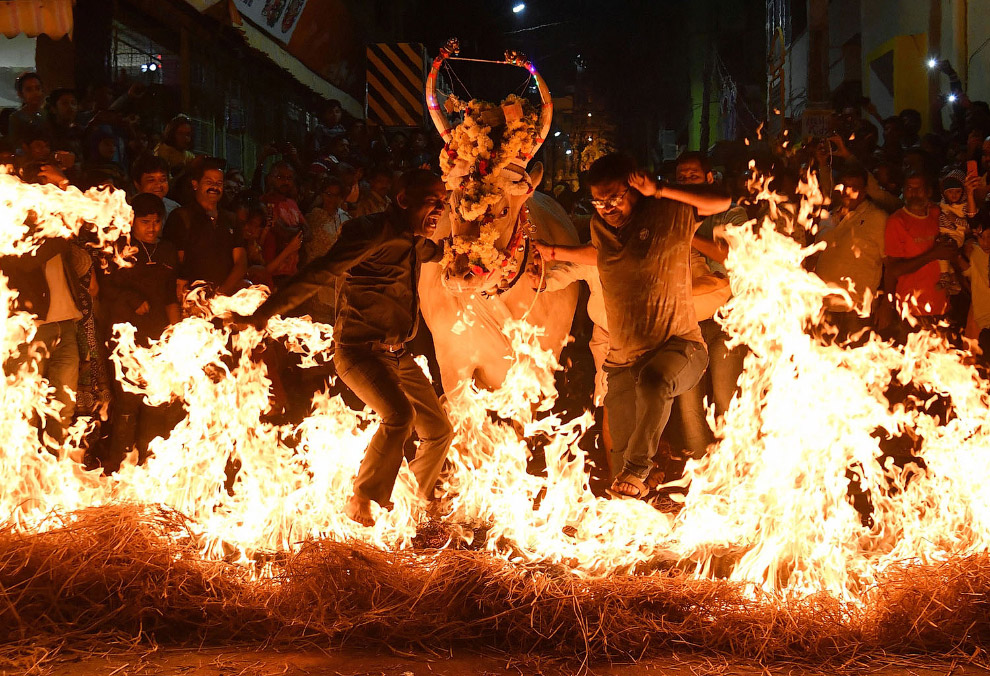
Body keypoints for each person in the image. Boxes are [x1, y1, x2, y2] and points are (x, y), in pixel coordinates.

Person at [239, 169, 453, 527]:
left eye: (443, 203)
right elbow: (320, 272)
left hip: (397, 353)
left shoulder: (414, 240)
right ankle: (363, 497)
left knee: (439, 430)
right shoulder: (369, 231)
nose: (440, 210)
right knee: (400, 417)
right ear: (403, 200)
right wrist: (265, 312)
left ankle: (413, 501)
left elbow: (437, 252)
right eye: (433, 201)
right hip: (359, 352)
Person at [533, 153, 730, 500]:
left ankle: (643, 468)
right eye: (598, 201)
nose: (606, 207)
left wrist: (662, 189)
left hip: (679, 348)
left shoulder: (668, 213)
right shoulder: (601, 226)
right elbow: (603, 255)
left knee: (655, 383)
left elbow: (722, 200)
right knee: (621, 453)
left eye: (614, 198)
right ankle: (635, 514)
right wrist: (550, 252)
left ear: (634, 189)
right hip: (621, 361)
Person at [101, 193, 181, 469]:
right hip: (125, 339)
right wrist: (133, 301)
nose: (152, 228)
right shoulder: (120, 249)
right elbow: (106, 288)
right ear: (132, 221)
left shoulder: (168, 250)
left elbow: (171, 294)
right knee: (127, 402)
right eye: (145, 222)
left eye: (157, 222)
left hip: (158, 338)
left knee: (157, 401)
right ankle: (120, 465)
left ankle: (150, 466)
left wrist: (176, 332)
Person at [812, 163, 888, 342]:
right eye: (845, 186)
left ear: (864, 190)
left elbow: (889, 264)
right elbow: (815, 258)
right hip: (824, 307)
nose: (848, 192)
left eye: (854, 187)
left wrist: (885, 305)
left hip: (857, 309)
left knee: (857, 364)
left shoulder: (878, 218)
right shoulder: (827, 218)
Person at [163, 158, 247, 298]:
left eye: (219, 183)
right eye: (209, 182)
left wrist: (220, 295)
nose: (214, 187)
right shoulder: (181, 217)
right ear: (195, 184)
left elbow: (241, 262)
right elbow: (177, 263)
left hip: (225, 299)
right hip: (193, 298)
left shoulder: (231, 219)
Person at [883, 172, 952, 327]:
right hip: (911, 310)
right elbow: (894, 269)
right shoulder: (897, 221)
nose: (913, 193)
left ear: (928, 191)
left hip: (942, 306)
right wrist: (933, 254)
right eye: (909, 188)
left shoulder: (937, 214)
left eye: (918, 188)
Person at [260, 160, 306, 286]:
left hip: (292, 272)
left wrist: (294, 232)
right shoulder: (264, 203)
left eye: (289, 178)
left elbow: (309, 233)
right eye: (280, 177)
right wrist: (298, 231)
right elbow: (281, 232)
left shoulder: (292, 203)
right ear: (270, 178)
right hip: (272, 272)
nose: (285, 181)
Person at [132, 154, 181, 219]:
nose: (158, 185)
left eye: (163, 180)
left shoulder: (174, 208)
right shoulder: (126, 211)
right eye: (151, 180)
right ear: (137, 184)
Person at [8, 72, 47, 147]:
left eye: (38, 88)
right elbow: (16, 147)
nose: (35, 93)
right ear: (21, 94)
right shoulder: (16, 118)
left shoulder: (46, 114)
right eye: (29, 90)